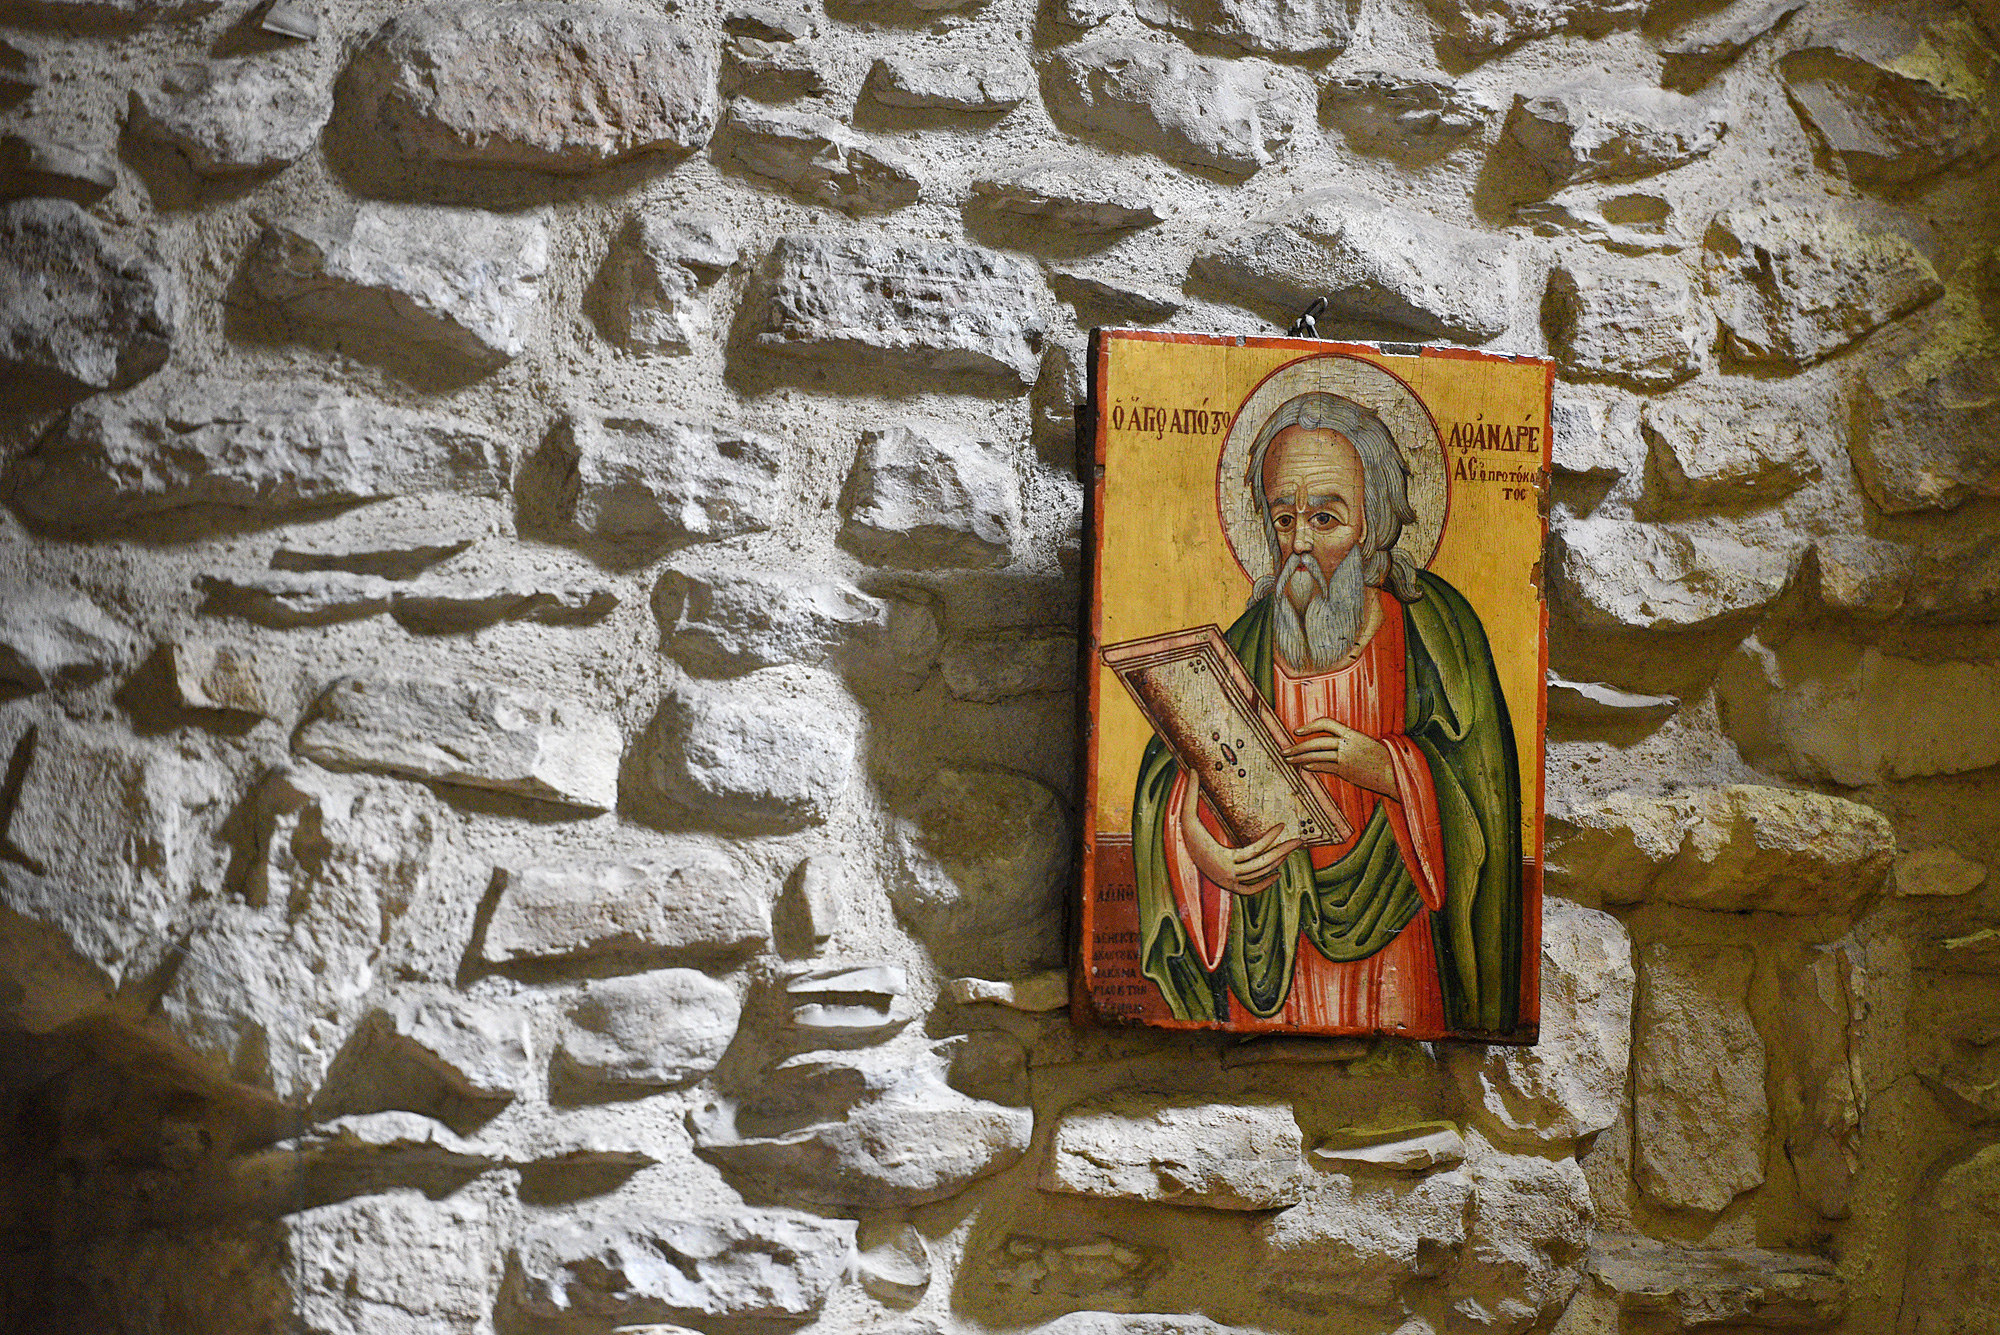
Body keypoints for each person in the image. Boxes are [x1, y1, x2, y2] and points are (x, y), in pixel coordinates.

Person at [1129, 391, 1525, 1037]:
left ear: (1371, 518)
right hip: (1273, 942)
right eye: (1284, 519)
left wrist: (1391, 767)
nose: (1300, 544)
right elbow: (1179, 770)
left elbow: (1483, 785)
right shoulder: (1250, 638)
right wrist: (1201, 849)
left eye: (1325, 517)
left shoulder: (1434, 629)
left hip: (1403, 938)